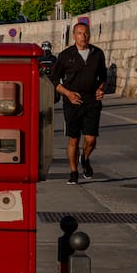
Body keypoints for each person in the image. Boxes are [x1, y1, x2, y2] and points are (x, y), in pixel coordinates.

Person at [49, 22, 108, 185]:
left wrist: (101, 88)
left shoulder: (97, 53)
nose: (84, 36)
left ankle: (85, 158)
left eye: (86, 33)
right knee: (74, 139)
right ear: (74, 36)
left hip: (92, 101)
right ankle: (73, 171)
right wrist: (68, 94)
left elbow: (103, 76)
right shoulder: (66, 55)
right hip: (72, 102)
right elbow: (54, 80)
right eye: (80, 33)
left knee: (91, 139)